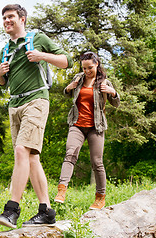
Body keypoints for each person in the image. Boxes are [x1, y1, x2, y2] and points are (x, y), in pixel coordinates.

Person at [0, 4, 73, 228]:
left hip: (36, 100)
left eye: (10, 17)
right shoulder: (5, 49)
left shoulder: (37, 38)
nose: (6, 21)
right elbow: (2, 84)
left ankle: (11, 210)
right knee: (31, 157)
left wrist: (42, 56)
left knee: (21, 150)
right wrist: (0, 75)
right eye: (4, 18)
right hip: (15, 104)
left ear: (22, 19)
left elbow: (66, 60)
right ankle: (46, 211)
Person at [54, 51, 120, 209]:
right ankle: (62, 190)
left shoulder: (104, 82)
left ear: (96, 64)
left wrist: (113, 92)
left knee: (97, 162)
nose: (87, 71)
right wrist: (68, 88)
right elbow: (68, 93)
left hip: (95, 127)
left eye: (90, 67)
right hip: (77, 124)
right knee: (70, 154)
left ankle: (100, 197)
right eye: (84, 68)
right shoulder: (78, 78)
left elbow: (116, 103)